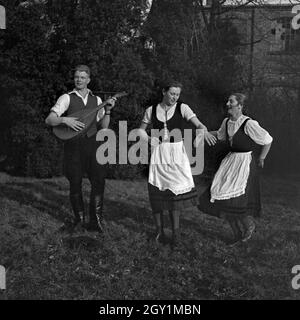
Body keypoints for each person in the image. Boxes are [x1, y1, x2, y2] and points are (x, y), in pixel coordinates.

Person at [139, 81, 217, 247]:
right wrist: (148, 139)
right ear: (163, 92)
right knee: (157, 191)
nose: (174, 97)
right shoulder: (151, 110)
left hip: (177, 153)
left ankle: (175, 234)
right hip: (159, 152)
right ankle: (159, 232)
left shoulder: (183, 108)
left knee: (174, 193)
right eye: (172, 93)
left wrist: (203, 132)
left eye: (177, 94)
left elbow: (199, 125)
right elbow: (140, 131)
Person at [45, 65, 116, 233]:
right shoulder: (66, 98)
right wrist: (65, 120)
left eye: (82, 77)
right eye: (77, 77)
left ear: (88, 80)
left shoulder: (97, 100)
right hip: (74, 146)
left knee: (99, 181)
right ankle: (79, 220)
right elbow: (49, 120)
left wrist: (108, 111)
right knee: (75, 183)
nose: (79, 80)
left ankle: (95, 221)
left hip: (93, 144)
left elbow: (103, 127)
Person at [198, 93, 273, 245]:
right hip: (230, 162)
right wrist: (204, 133)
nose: (227, 104)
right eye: (228, 101)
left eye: (231, 101)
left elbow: (267, 140)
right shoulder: (227, 122)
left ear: (240, 105)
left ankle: (248, 226)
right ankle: (237, 233)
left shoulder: (248, 123)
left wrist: (262, 158)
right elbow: (220, 136)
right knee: (221, 196)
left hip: (244, 163)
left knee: (236, 200)